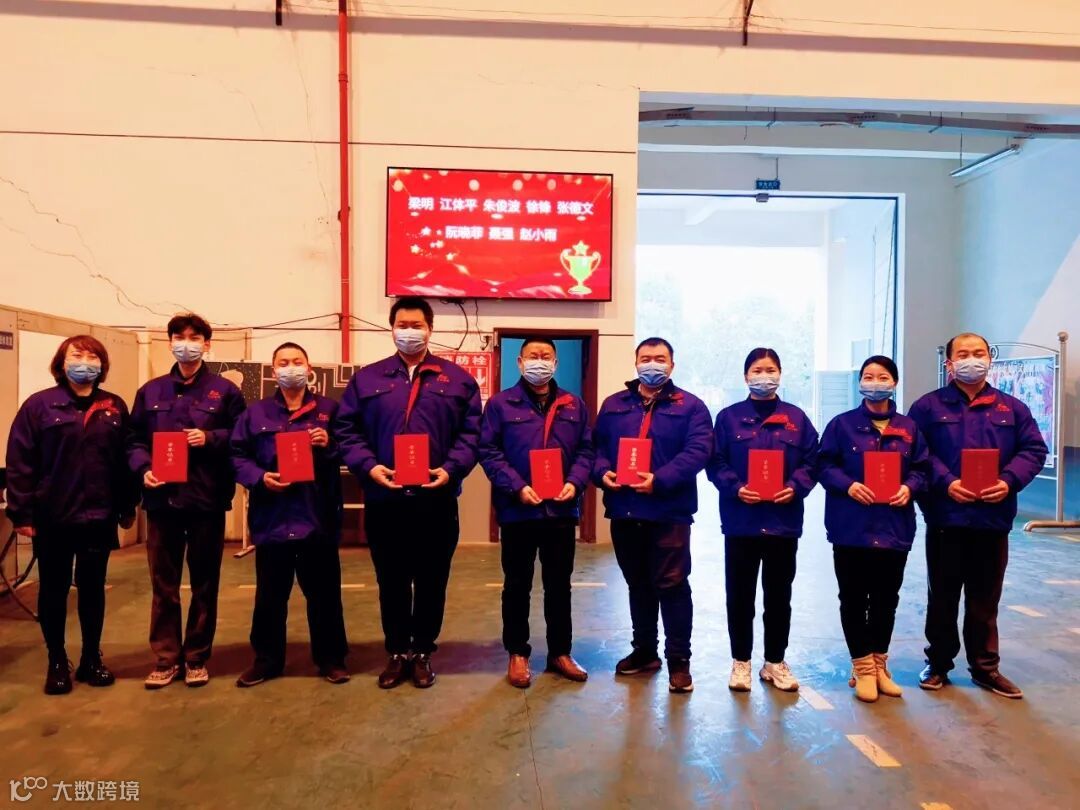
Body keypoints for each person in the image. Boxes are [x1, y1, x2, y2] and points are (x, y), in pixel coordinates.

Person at [335, 297, 481, 689]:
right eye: (402, 324)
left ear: (430, 329)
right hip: (385, 499)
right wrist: (369, 467)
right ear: (392, 328)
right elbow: (346, 430)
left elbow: (472, 434)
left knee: (433, 580)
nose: (409, 332)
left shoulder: (458, 381)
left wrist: (450, 470)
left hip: (436, 500)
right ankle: (398, 651)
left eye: (417, 325)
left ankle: (423, 653)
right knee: (392, 580)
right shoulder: (367, 380)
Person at [909, 333, 1047, 699]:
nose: (972, 359)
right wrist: (946, 483)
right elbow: (917, 453)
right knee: (943, 596)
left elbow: (1034, 449)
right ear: (949, 363)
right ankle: (938, 663)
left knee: (985, 600)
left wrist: (1008, 480)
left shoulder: (1012, 409)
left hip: (992, 518)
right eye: (964, 354)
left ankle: (985, 668)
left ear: (989, 359)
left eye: (979, 353)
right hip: (947, 518)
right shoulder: (927, 408)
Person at [5, 335, 138, 695]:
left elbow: (125, 459)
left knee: (93, 588)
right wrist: (22, 513)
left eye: (92, 356)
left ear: (102, 365)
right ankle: (57, 660)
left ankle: (91, 658)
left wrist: (128, 505)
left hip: (99, 515)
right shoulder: (39, 406)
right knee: (54, 589)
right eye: (77, 355)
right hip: (54, 516)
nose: (84, 362)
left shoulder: (113, 406)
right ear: (61, 363)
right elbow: (20, 461)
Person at [128, 313, 246, 689]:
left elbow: (242, 437)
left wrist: (209, 438)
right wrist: (143, 468)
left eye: (195, 337)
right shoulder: (150, 392)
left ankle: (196, 656)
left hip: (205, 501)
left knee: (204, 583)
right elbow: (133, 440)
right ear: (170, 343)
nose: (186, 343)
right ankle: (166, 659)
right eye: (179, 337)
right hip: (162, 500)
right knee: (164, 585)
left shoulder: (225, 392)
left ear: (207, 344)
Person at [591, 337, 712, 693]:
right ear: (636, 362)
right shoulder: (614, 405)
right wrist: (602, 473)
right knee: (638, 584)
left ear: (672, 365)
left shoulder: (691, 406)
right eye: (646, 358)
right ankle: (644, 652)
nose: (652, 364)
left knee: (673, 586)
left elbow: (699, 451)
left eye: (660, 359)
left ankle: (679, 662)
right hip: (625, 510)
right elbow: (596, 448)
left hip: (668, 511)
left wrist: (660, 480)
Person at [230, 342, 349, 687]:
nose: (290, 367)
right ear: (274, 370)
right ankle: (266, 661)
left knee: (324, 595)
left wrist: (329, 444)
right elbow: (236, 455)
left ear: (309, 369)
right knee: (270, 596)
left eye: (297, 361)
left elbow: (350, 449)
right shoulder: (256, 414)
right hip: (272, 518)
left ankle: (331, 659)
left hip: (317, 517)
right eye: (283, 363)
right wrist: (259, 478)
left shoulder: (329, 410)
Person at [479, 337, 594, 688]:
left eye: (546, 356)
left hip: (560, 510)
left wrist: (575, 482)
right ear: (519, 362)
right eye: (533, 356)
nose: (539, 361)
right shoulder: (500, 405)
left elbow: (587, 449)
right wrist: (516, 486)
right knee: (517, 585)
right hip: (518, 511)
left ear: (555, 364)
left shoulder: (573, 405)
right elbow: (489, 451)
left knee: (559, 585)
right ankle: (517, 652)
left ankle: (560, 652)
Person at [818, 355, 930, 702]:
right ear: (860, 382)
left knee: (886, 599)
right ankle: (863, 668)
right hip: (851, 527)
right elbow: (823, 465)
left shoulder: (909, 428)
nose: (875, 382)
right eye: (868, 376)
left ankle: (880, 664)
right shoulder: (841, 425)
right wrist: (848, 485)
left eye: (883, 376)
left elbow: (923, 468)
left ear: (894, 383)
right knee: (853, 598)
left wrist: (909, 487)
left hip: (894, 526)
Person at [707, 348, 819, 694]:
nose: (764, 376)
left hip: (783, 522)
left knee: (779, 596)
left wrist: (796, 487)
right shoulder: (728, 418)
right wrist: (736, 487)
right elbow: (715, 461)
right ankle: (741, 661)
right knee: (739, 595)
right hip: (741, 521)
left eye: (770, 370)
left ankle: (775, 661)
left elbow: (813, 461)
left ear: (780, 374)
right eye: (757, 370)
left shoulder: (797, 419)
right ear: (746, 376)